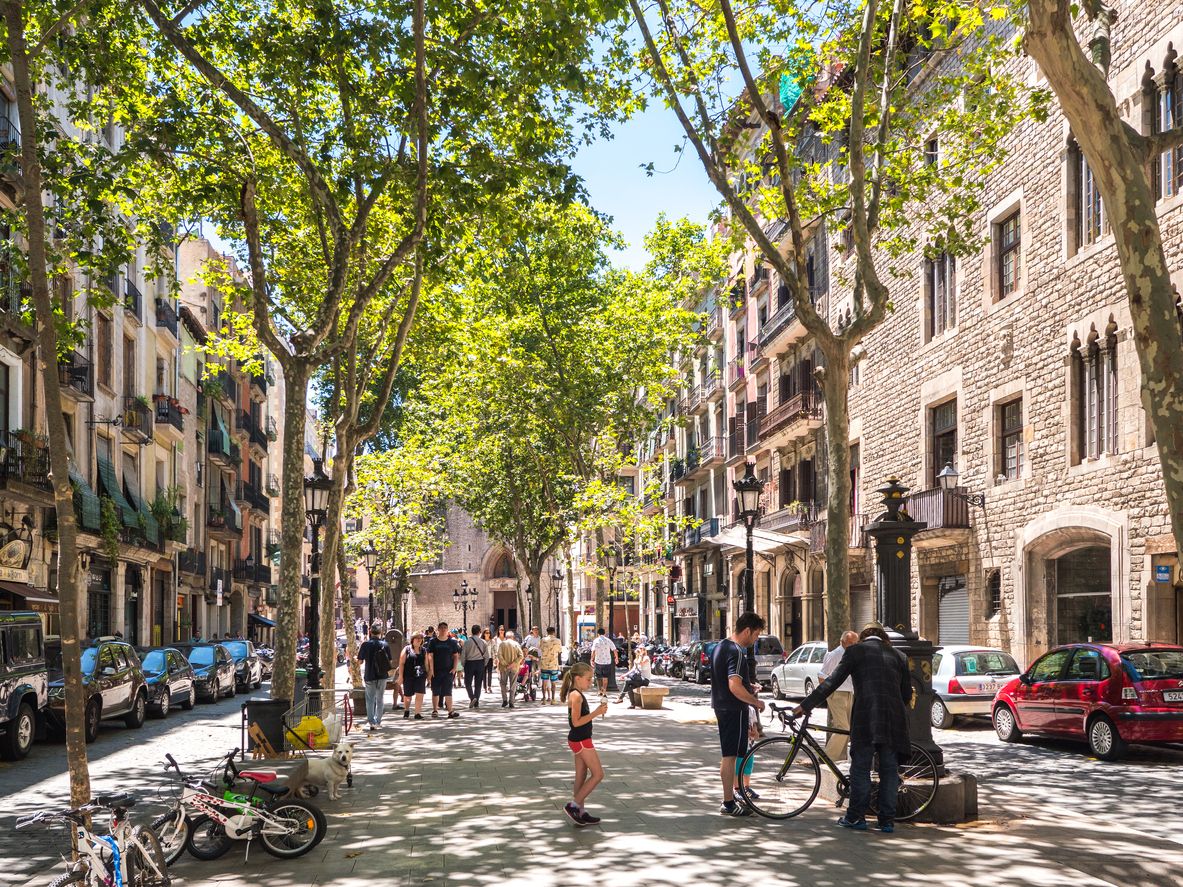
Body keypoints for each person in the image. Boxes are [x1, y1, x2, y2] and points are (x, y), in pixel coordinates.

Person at [792, 624, 913, 833]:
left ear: (863, 638)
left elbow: (831, 682)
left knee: (860, 769)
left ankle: (856, 817)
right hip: (893, 720)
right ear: (884, 638)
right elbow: (906, 695)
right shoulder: (899, 656)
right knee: (889, 771)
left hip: (866, 718)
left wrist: (805, 705)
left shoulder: (855, 651)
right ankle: (886, 821)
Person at [711, 612, 767, 817]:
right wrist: (755, 701)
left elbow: (728, 680)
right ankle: (728, 802)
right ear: (747, 630)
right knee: (730, 756)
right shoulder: (737, 651)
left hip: (722, 706)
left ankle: (731, 797)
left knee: (730, 755)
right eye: (756, 635)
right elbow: (733, 686)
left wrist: (748, 686)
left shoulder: (721, 646)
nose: (755, 640)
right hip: (733, 709)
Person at [560, 662, 608, 826]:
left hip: (579, 739)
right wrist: (596, 713)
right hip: (581, 739)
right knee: (598, 774)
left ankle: (580, 811)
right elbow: (576, 722)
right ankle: (573, 805)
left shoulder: (576, 693)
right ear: (578, 678)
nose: (590, 683)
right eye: (588, 680)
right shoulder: (576, 696)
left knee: (581, 775)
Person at [818, 630, 859, 763]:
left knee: (846, 729)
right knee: (843, 727)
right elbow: (822, 676)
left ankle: (839, 758)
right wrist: (828, 694)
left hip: (849, 693)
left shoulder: (852, 655)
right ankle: (827, 758)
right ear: (842, 642)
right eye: (850, 643)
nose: (853, 646)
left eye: (855, 643)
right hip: (837, 694)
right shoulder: (835, 654)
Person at [425, 621, 462, 719]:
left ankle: (450, 711)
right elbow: (430, 656)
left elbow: (455, 656)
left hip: (448, 671)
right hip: (436, 670)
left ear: (447, 629)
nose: (443, 629)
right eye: (441, 628)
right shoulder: (433, 642)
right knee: (435, 691)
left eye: (445, 628)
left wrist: (454, 668)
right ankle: (435, 710)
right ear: (438, 629)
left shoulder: (452, 642)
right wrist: (431, 670)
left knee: (448, 691)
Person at [357, 626, 393, 730]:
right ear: (380, 632)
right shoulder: (385, 644)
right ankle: (378, 721)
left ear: (370, 632)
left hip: (370, 675)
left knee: (370, 699)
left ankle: (371, 721)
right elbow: (389, 662)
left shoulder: (365, 645)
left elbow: (360, 662)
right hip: (382, 675)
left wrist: (356, 659)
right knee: (380, 698)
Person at [399, 632, 428, 720]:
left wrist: (428, 674)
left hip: (420, 676)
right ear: (412, 640)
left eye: (420, 638)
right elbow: (401, 663)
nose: (419, 640)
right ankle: (407, 710)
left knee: (420, 694)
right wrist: (401, 676)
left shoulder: (423, 650)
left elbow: (426, 663)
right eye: (416, 638)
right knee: (408, 695)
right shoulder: (407, 649)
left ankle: (417, 713)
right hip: (408, 675)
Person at [462, 624, 488, 709]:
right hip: (480, 663)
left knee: (467, 683)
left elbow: (463, 655)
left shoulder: (467, 642)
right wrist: (484, 664)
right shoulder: (483, 642)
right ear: (480, 632)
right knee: (478, 683)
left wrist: (463, 664)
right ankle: (476, 701)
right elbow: (486, 656)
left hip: (469, 663)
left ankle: (472, 697)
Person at [496, 630, 524, 708]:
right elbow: (521, 655)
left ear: (506, 637)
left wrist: (505, 664)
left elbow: (499, 655)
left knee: (503, 684)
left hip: (504, 667)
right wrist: (514, 663)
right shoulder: (516, 644)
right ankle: (511, 701)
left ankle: (504, 700)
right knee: (513, 684)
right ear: (513, 637)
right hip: (514, 667)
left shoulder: (502, 644)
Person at [539, 626, 563, 705]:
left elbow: (540, 649)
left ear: (547, 632)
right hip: (553, 665)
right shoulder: (558, 641)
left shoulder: (542, 640)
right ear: (554, 632)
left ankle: (544, 699)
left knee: (544, 683)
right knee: (553, 683)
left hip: (544, 664)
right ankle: (553, 699)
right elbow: (560, 651)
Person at [590, 628, 617, 696]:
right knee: (605, 677)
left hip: (598, 661)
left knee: (598, 677)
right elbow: (614, 649)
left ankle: (599, 690)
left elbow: (593, 651)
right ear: (604, 633)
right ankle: (604, 690)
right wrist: (616, 658)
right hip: (607, 661)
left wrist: (592, 659)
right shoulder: (608, 640)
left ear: (598, 634)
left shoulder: (596, 641)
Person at [482, 628, 495, 692]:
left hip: (490, 659)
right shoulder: (481, 641)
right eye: (486, 633)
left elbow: (494, 650)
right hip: (483, 659)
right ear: (484, 634)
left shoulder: (492, 641)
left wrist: (495, 658)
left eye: (489, 633)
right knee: (484, 673)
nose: (488, 634)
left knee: (490, 673)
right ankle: (485, 687)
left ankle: (489, 686)